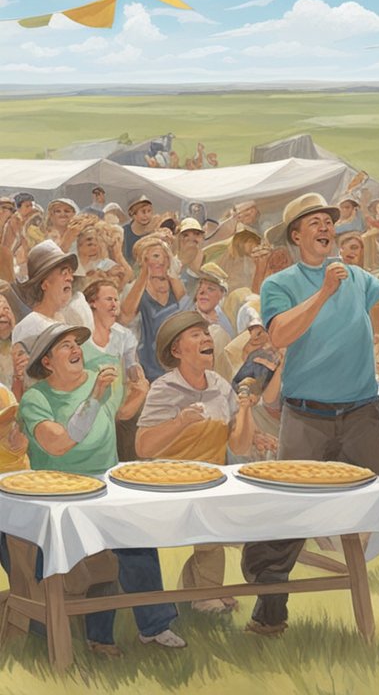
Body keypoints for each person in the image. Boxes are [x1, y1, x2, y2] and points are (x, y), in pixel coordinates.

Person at [243, 193, 379, 638]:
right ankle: (270, 613)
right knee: (287, 512)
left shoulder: (358, 277)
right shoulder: (281, 284)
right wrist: (324, 291)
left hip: (362, 413)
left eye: (328, 221)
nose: (325, 227)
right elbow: (278, 334)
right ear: (296, 235)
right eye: (314, 222)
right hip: (307, 416)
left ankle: (349, 571)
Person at [12, 322, 179, 656]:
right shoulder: (35, 398)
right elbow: (58, 443)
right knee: (98, 557)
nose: (76, 350)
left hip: (108, 484)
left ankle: (155, 626)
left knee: (140, 543)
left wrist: (139, 394)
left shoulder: (98, 380)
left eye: (77, 343)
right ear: (47, 362)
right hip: (61, 494)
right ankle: (99, 638)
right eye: (65, 346)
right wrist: (94, 398)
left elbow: (118, 414)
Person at [137, 310, 276, 613]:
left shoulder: (220, 385)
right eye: (195, 335)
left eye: (206, 333)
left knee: (243, 516)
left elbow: (236, 442)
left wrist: (246, 413)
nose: (206, 338)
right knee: (216, 522)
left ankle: (204, 591)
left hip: (212, 480)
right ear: (176, 350)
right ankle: (204, 593)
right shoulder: (164, 389)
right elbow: (143, 446)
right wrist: (179, 422)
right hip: (173, 482)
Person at [81, 279, 142, 461]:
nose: (114, 304)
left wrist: (139, 380)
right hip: (90, 414)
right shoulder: (81, 337)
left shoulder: (124, 335)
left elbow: (133, 370)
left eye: (116, 299)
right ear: (92, 302)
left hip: (119, 415)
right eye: (109, 299)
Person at [120, 237, 186, 382]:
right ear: (143, 260)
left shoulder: (175, 285)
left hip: (177, 355)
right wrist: (144, 274)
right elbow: (125, 317)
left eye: (165, 256)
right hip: (147, 358)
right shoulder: (134, 288)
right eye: (156, 256)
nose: (161, 261)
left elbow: (186, 311)